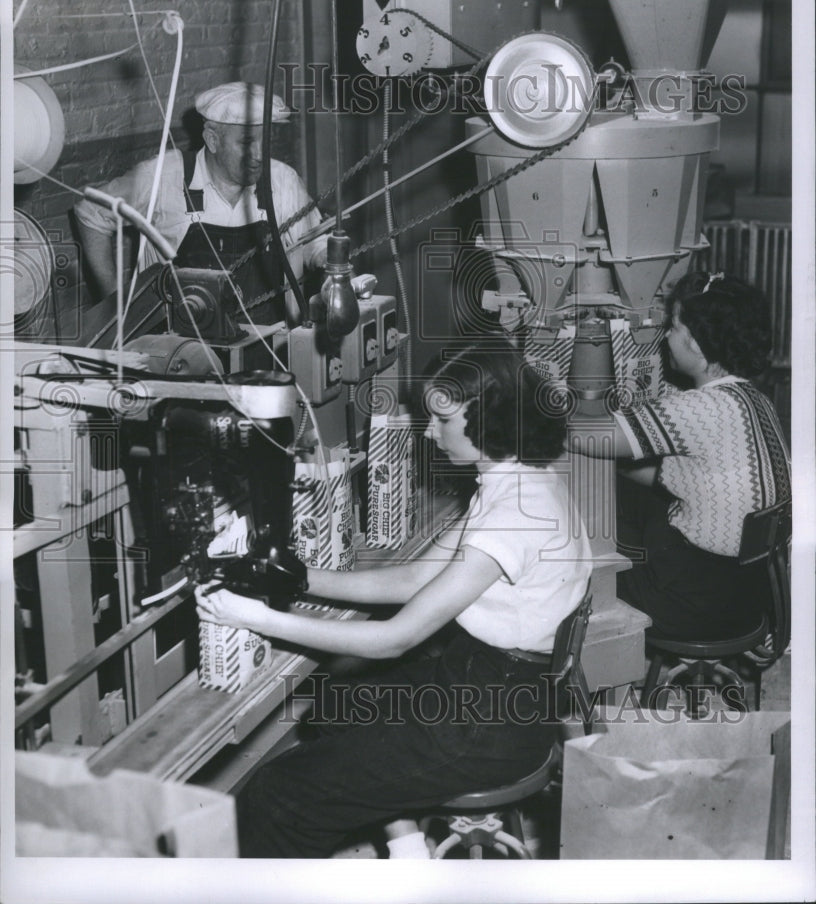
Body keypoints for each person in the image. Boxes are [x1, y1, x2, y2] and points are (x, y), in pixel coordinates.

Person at [195, 339, 592, 858]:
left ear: (487, 419)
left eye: (443, 421)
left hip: (489, 720)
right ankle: (408, 850)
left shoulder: (515, 512)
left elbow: (392, 640)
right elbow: (412, 579)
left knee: (279, 795)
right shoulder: (518, 482)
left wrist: (250, 615)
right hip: (496, 688)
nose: (430, 432)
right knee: (337, 703)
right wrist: (295, 578)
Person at [574, 271, 791, 640]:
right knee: (630, 498)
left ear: (698, 344)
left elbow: (589, 438)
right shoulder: (755, 400)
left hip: (692, 604)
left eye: (673, 327)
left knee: (576, 568)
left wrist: (530, 413)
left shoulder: (701, 407)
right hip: (750, 595)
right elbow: (678, 475)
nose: (666, 337)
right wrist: (618, 466)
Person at [73, 81, 327, 325]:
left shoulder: (282, 179)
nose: (261, 155)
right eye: (247, 142)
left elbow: (314, 242)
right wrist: (116, 305)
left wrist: (328, 261)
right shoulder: (163, 178)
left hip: (266, 350)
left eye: (266, 141)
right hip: (178, 353)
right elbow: (91, 212)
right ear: (212, 140)